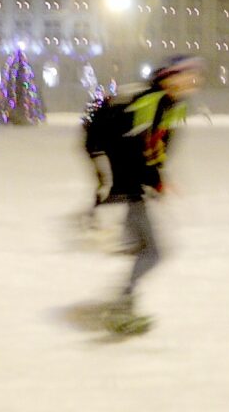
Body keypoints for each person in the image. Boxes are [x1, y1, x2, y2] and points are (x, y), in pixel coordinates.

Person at [85, 54, 202, 330]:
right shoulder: (147, 101)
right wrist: (123, 181)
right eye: (189, 74)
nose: (194, 81)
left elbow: (158, 147)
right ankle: (120, 304)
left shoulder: (172, 106)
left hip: (132, 184)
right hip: (124, 184)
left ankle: (121, 297)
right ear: (171, 76)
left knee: (143, 248)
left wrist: (158, 176)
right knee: (154, 252)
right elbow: (119, 144)